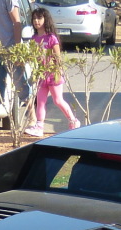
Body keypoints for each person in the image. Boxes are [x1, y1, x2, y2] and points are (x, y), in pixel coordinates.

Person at [24, 7, 80, 137]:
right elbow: (33, 57)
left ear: (46, 20)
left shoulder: (51, 38)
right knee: (40, 101)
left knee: (58, 100)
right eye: (34, 19)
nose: (36, 21)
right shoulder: (33, 39)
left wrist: (58, 72)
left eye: (39, 18)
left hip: (53, 74)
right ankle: (39, 127)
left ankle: (73, 121)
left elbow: (58, 57)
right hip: (40, 75)